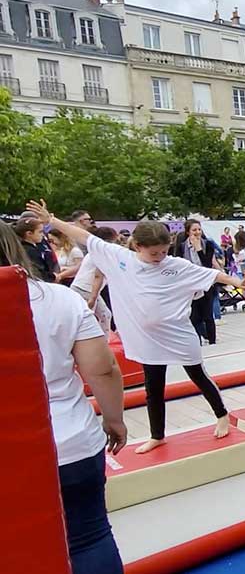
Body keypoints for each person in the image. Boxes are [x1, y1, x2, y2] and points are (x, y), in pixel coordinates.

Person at [27, 200, 243, 455]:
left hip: (178, 333)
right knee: (153, 387)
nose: (160, 258)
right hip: (147, 339)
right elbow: (83, 236)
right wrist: (52, 220)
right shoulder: (120, 258)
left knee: (199, 376)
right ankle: (157, 435)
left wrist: (236, 280)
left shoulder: (174, 265)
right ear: (137, 246)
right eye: (154, 254)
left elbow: (211, 274)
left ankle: (222, 415)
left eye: (163, 252)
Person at [1, 222, 127, 574]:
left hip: (21, 454)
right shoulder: (56, 299)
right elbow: (101, 369)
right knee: (88, 536)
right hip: (68, 441)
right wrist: (114, 419)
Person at [70, 227, 119, 336]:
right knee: (99, 315)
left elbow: (80, 268)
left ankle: (103, 339)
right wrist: (93, 297)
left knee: (104, 315)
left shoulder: (92, 252)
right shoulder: (102, 254)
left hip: (83, 287)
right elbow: (98, 276)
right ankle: (102, 341)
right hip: (87, 289)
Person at [176, 219, 220, 345]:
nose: (197, 232)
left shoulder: (208, 244)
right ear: (188, 232)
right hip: (190, 284)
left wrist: (199, 249)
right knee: (194, 316)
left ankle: (212, 340)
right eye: (194, 230)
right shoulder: (182, 247)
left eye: (199, 229)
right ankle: (197, 341)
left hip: (206, 283)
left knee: (208, 315)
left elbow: (207, 264)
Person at [16, 217, 58, 282]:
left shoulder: (24, 248)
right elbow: (39, 273)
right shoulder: (30, 251)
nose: (43, 235)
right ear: (29, 233)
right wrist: (53, 277)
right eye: (40, 232)